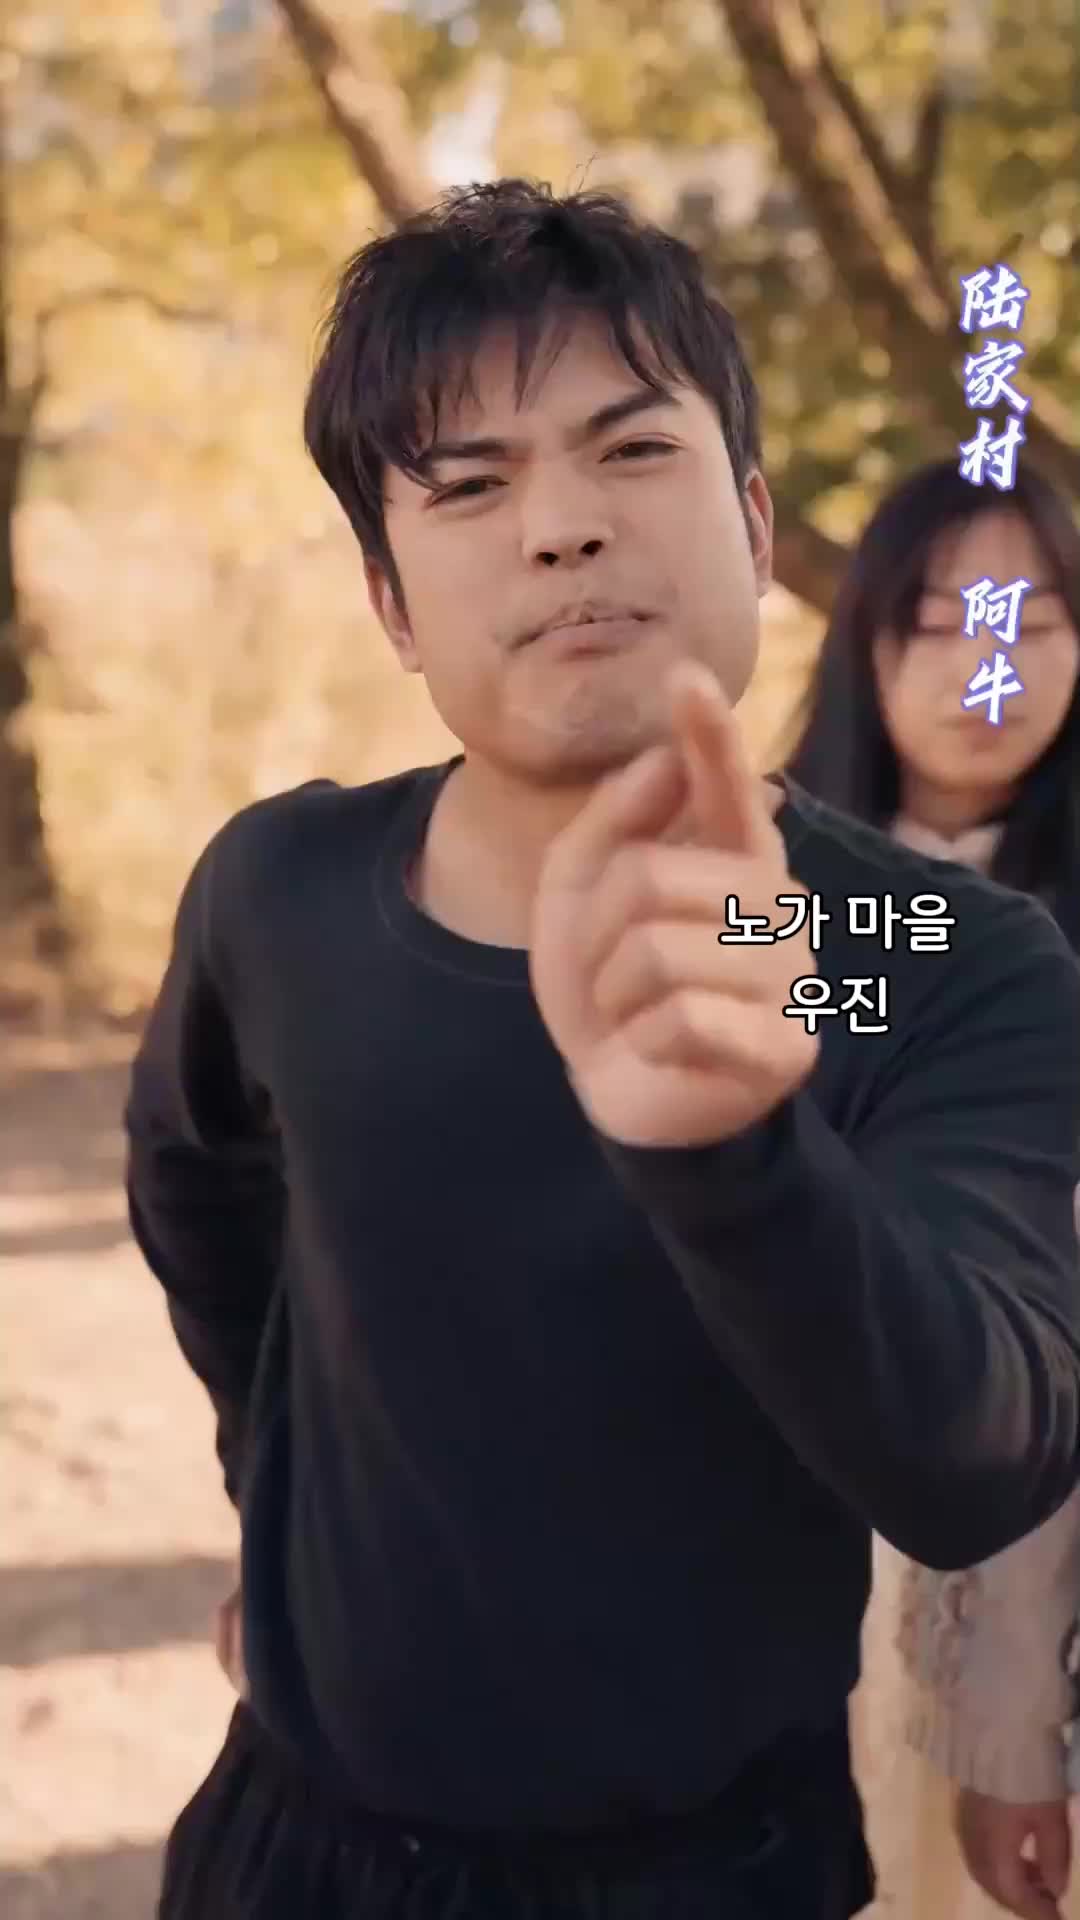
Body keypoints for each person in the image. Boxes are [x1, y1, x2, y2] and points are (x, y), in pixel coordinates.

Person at [125, 182, 1080, 1920]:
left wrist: (737, 1158)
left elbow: (980, 1456)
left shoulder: (931, 954)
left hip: (718, 1873)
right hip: (301, 1853)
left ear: (755, 517)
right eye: (469, 485)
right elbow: (199, 1186)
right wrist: (274, 1493)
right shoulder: (282, 894)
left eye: (632, 449)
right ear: (391, 601)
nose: (563, 527)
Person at [787, 458, 1080, 1920]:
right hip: (780, 1548)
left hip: (1039, 1553)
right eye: (946, 621)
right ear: (866, 640)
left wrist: (1016, 1717)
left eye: (1033, 621)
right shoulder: (760, 895)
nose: (991, 666)